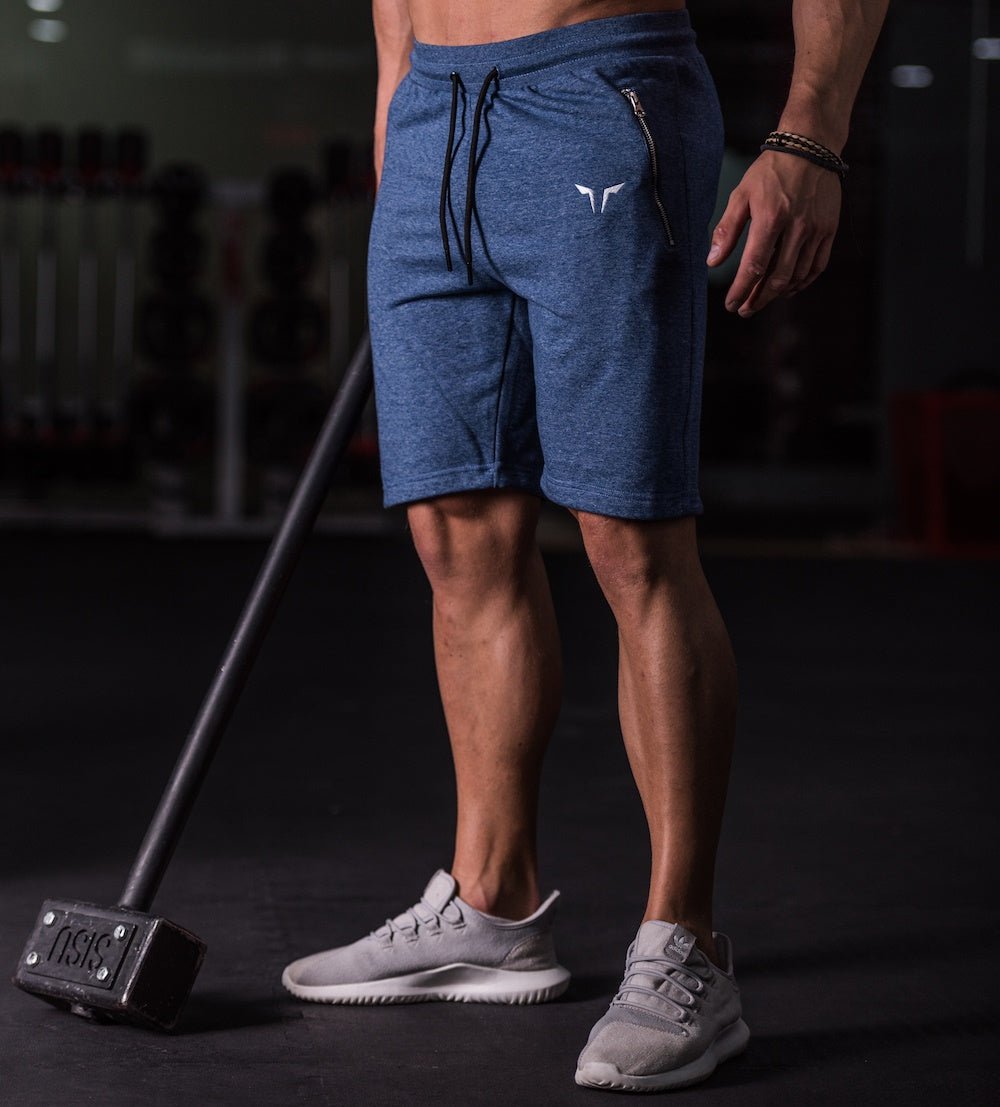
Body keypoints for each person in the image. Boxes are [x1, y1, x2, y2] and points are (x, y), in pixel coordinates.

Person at [282, 0, 888, 1092]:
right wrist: (397, 118)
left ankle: (683, 944)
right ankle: (490, 905)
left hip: (600, 93)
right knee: (456, 533)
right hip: (430, 115)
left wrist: (811, 132)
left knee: (630, 537)